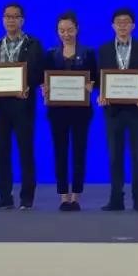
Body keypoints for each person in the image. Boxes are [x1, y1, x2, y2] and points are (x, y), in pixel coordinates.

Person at [0, 2, 44, 210]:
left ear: (22, 20)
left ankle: (27, 197)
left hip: (23, 105)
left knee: (25, 150)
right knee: (2, 151)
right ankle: (4, 196)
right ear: (3, 20)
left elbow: (38, 73)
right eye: (7, 16)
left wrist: (28, 85)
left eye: (15, 17)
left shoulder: (33, 45)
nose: (11, 20)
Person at [96, 8, 138, 212]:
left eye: (126, 22)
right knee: (114, 157)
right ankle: (116, 199)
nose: (122, 25)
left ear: (133, 26)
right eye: (118, 22)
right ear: (113, 26)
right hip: (113, 111)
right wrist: (101, 94)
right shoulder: (103, 50)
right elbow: (98, 78)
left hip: (137, 110)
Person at [42, 12, 98, 211]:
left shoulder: (88, 53)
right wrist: (45, 88)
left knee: (79, 151)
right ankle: (63, 195)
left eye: (70, 30)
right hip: (57, 111)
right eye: (62, 30)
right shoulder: (50, 54)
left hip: (81, 111)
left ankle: (76, 195)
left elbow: (97, 77)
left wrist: (93, 85)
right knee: (60, 151)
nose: (66, 34)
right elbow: (43, 78)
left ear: (77, 29)